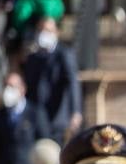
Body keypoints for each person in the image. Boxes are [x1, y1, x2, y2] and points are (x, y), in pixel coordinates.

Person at [22, 16, 81, 144]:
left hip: (58, 115)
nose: (44, 34)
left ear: (56, 32)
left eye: (48, 30)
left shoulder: (64, 54)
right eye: (41, 30)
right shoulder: (33, 57)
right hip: (38, 116)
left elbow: (73, 83)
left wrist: (75, 111)